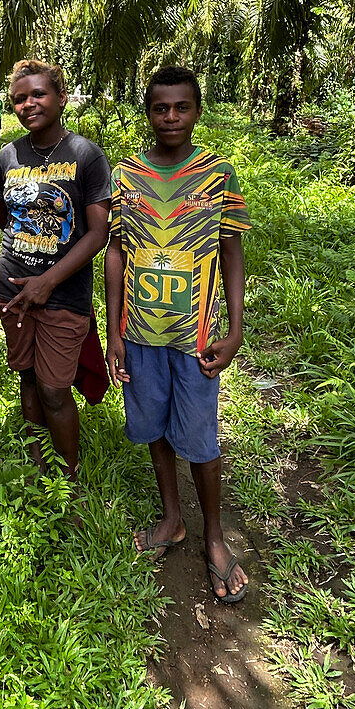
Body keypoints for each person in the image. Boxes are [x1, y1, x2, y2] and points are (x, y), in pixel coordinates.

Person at [104, 66, 251, 603]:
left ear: (196, 111)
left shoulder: (218, 176)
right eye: (160, 108)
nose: (170, 117)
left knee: (201, 439)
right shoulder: (125, 176)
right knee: (155, 427)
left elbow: (232, 251)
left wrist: (235, 331)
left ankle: (214, 536)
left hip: (197, 337)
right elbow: (116, 250)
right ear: (148, 112)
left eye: (181, 108)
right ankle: (173, 519)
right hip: (140, 333)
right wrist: (114, 328)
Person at [0, 60, 110, 481]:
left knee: (55, 388)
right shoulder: (8, 155)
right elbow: (5, 216)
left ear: (60, 97)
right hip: (11, 288)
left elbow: (97, 234)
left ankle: (68, 477)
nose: (28, 104)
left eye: (38, 94)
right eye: (19, 98)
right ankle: (39, 461)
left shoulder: (85, 155)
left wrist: (47, 279)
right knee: (27, 377)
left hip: (63, 293)